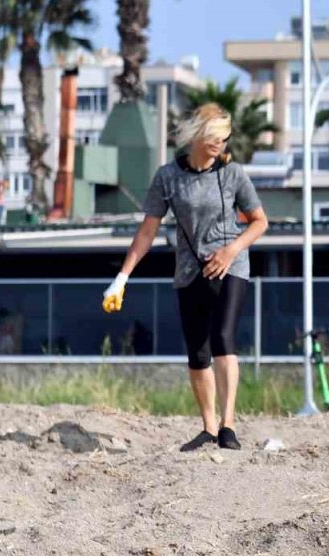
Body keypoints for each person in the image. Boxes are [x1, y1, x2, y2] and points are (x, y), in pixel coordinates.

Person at [102, 103, 269, 452]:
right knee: (197, 352)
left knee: (223, 338)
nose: (220, 146)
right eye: (214, 138)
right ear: (197, 135)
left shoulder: (233, 173)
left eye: (225, 140)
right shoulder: (168, 177)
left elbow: (259, 221)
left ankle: (228, 425)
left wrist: (230, 250)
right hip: (190, 270)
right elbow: (147, 231)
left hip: (231, 266)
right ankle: (208, 427)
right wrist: (122, 277)